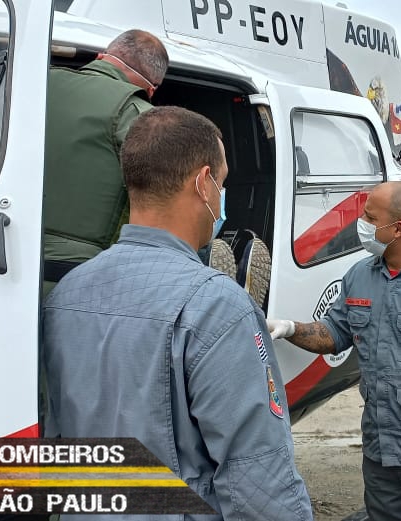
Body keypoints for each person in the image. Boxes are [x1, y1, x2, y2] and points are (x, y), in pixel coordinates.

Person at [42, 106, 313, 520]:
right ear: (204, 184)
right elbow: (259, 481)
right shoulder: (217, 306)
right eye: (222, 183)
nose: (222, 198)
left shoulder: (67, 292)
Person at [268, 180, 401, 521]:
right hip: (380, 449)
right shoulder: (359, 277)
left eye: (368, 215)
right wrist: (290, 328)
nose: (360, 223)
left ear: (397, 228)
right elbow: (334, 335)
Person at [43, 29, 168, 291]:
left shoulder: (38, 82)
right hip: (74, 279)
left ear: (101, 57)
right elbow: (162, 201)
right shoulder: (140, 116)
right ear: (152, 90)